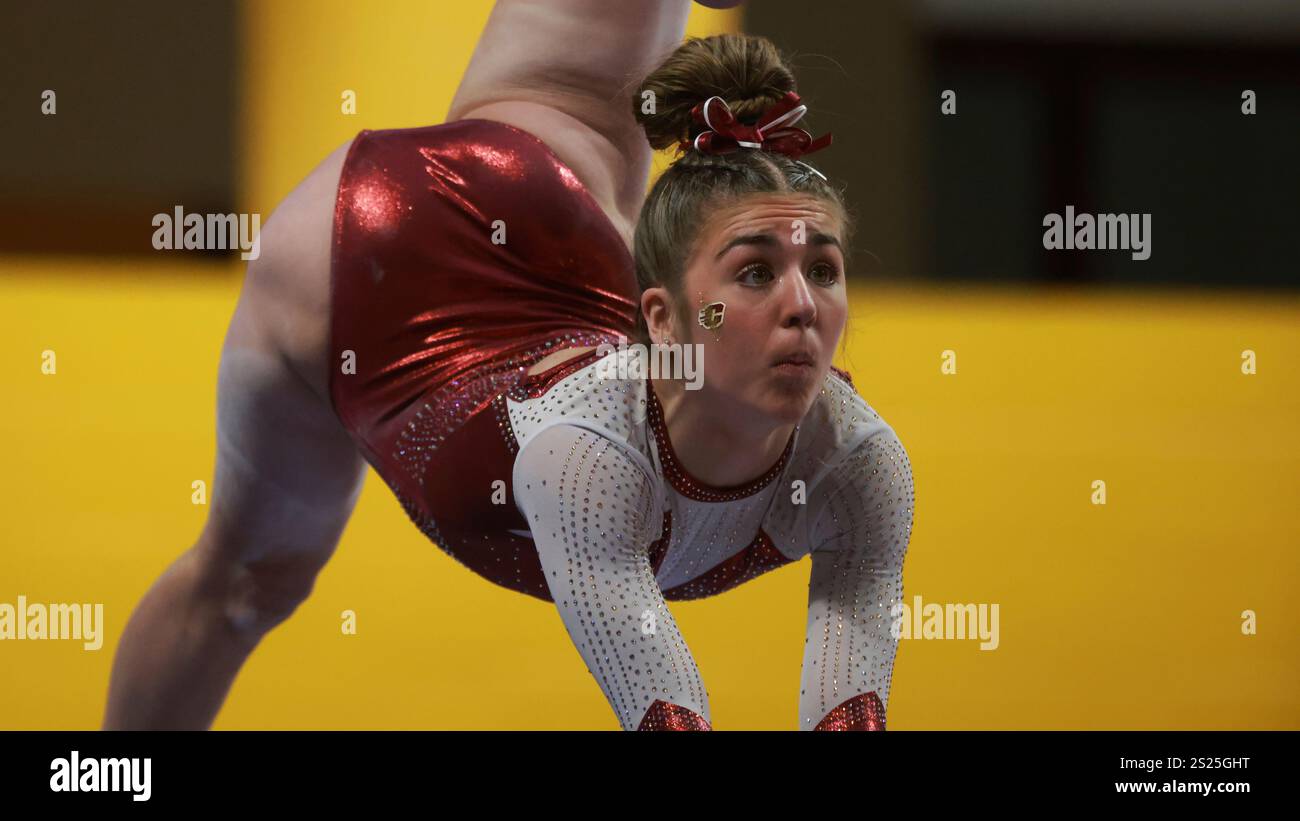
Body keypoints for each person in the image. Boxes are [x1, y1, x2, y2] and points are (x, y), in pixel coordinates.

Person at [103, 0, 914, 732]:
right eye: (761, 273)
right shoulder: (595, 454)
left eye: (828, 272)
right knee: (244, 582)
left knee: (244, 583)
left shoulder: (860, 463)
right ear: (660, 317)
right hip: (445, 234)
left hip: (497, 184)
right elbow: (669, 714)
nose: (805, 307)